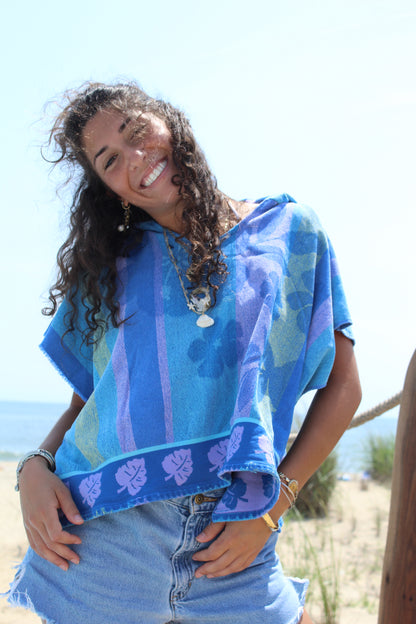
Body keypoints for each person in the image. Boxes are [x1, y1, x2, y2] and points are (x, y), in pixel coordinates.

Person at [6, 82, 361, 624]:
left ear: (169, 121)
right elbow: (88, 404)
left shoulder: (290, 231)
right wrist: (34, 469)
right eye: (110, 160)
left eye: (136, 131)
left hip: (234, 538)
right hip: (105, 543)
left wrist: (272, 509)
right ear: (109, 190)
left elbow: (344, 387)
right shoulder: (110, 269)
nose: (134, 158)